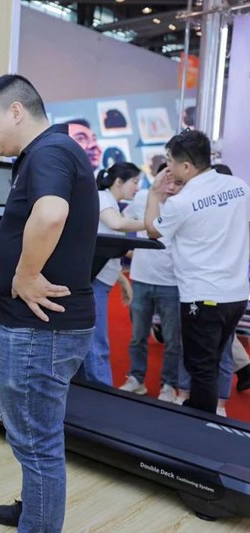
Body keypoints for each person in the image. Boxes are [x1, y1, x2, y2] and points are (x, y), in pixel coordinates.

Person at [0, 74, 98, 532]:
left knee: (35, 441)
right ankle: (33, 508)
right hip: (44, 326)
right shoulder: (50, 152)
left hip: (41, 329)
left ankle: (39, 523)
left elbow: (50, 214)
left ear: (16, 111)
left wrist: (24, 274)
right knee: (33, 434)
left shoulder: (49, 151)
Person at [144, 129, 250, 414]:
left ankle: (202, 423)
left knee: (201, 368)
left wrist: (154, 193)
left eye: (170, 161)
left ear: (187, 166)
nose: (168, 168)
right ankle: (207, 414)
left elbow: (152, 229)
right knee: (212, 361)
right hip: (236, 295)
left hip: (202, 297)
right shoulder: (239, 186)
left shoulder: (181, 202)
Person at [120, 163, 185, 402]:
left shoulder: (184, 203)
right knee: (138, 336)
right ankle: (136, 378)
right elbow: (121, 221)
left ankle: (168, 384)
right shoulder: (143, 198)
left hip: (172, 282)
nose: (171, 186)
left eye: (177, 182)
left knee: (172, 340)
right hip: (141, 278)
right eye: (166, 180)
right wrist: (127, 250)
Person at [80, 163, 145, 386]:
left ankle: (91, 388)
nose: (137, 187)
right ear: (118, 181)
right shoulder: (103, 198)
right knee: (97, 342)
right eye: (134, 181)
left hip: (100, 278)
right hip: (93, 282)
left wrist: (122, 280)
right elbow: (116, 224)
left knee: (92, 340)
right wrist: (149, 225)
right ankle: (102, 391)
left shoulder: (110, 202)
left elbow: (106, 249)